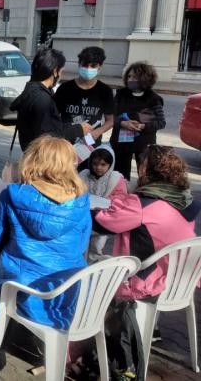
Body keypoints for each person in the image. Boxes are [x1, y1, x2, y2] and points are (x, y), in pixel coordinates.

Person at [0, 135, 91, 373]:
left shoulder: (13, 194)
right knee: (0, 276)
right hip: (64, 291)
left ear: (32, 160)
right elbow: (82, 243)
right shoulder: (81, 200)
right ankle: (14, 338)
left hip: (24, 289)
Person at [94, 145, 200, 301]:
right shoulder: (184, 198)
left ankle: (122, 321)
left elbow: (104, 223)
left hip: (150, 282)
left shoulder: (143, 205)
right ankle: (149, 324)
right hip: (184, 278)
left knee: (94, 282)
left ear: (144, 170)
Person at [10, 48, 92, 151]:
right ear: (55, 71)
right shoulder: (42, 98)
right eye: (61, 71)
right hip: (41, 158)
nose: (61, 75)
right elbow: (49, 135)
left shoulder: (33, 91)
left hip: (33, 154)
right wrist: (79, 129)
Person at [55, 46, 115, 167]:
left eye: (93, 66)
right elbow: (53, 116)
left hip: (90, 146)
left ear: (100, 67)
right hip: (65, 144)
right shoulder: (65, 88)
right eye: (85, 65)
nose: (88, 69)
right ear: (79, 64)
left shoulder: (105, 91)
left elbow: (111, 120)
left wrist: (99, 131)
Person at [109, 61, 166, 180]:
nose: (130, 79)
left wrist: (142, 126)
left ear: (144, 78)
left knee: (145, 176)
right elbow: (111, 116)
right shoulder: (121, 94)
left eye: (134, 77)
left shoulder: (154, 99)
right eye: (129, 76)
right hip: (121, 144)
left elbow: (161, 122)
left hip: (144, 143)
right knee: (120, 177)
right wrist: (123, 123)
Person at [79, 145, 128, 261]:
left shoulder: (115, 178)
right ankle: (80, 267)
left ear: (110, 165)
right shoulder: (84, 175)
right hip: (85, 215)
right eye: (95, 164)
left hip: (104, 217)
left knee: (97, 245)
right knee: (81, 243)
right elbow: (75, 190)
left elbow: (122, 197)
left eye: (103, 165)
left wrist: (108, 202)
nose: (98, 168)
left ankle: (94, 265)